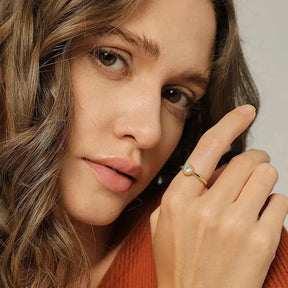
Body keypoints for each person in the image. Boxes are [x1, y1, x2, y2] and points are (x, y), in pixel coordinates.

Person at [0, 0, 288, 287]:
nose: (150, 132)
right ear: (25, 52)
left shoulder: (233, 250)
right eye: (110, 58)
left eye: (175, 95)